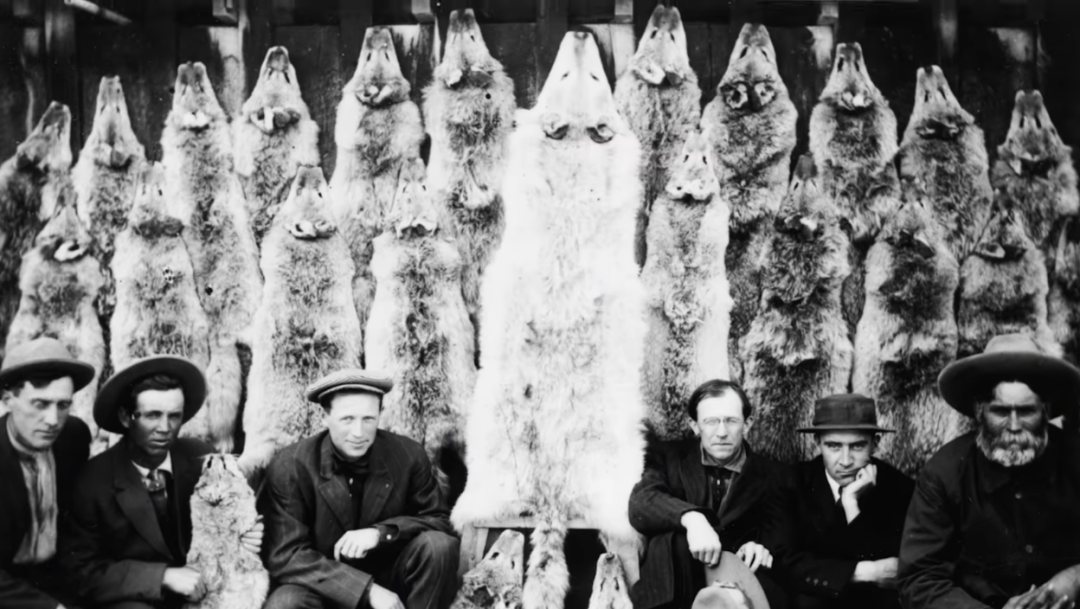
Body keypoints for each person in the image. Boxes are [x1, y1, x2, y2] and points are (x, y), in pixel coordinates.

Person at [61, 355, 263, 609]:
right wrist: (162, 577)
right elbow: (81, 572)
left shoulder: (200, 457)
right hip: (136, 601)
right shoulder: (94, 481)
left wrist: (247, 532)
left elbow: (232, 516)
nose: (165, 428)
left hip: (201, 594)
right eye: (152, 415)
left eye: (174, 416)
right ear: (125, 417)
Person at [899, 333, 1080, 609]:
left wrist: (1076, 579)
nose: (1014, 426)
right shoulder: (944, 473)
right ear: (979, 411)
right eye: (1001, 411)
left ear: (1045, 410)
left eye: (1026, 411)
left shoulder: (1075, 459)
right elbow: (918, 577)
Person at [261, 368, 460, 609]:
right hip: (324, 587)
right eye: (347, 419)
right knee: (285, 602)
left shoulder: (408, 455)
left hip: (392, 583)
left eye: (368, 419)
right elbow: (287, 555)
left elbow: (439, 521)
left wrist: (381, 533)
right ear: (325, 416)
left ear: (380, 415)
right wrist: (365, 589)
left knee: (439, 547)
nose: (358, 432)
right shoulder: (290, 464)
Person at [629, 379, 790, 609]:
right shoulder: (667, 457)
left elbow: (781, 537)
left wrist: (762, 548)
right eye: (711, 421)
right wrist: (692, 519)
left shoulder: (774, 474)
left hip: (734, 595)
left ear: (747, 424)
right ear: (695, 426)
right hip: (673, 594)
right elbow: (642, 502)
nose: (721, 432)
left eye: (731, 421)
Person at [771, 394, 914, 609]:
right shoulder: (790, 482)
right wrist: (862, 572)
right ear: (817, 443)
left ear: (875, 444)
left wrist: (851, 505)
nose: (846, 461)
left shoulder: (899, 487)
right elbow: (783, 560)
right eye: (834, 446)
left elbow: (889, 571)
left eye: (857, 446)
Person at [0, 338, 95, 609]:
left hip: (60, 581)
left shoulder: (74, 437)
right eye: (40, 404)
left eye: (63, 405)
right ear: (8, 400)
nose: (53, 421)